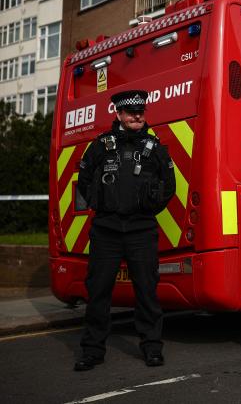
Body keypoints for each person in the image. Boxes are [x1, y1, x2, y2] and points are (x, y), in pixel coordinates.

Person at [74, 89, 176, 371]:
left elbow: (169, 187)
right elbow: (83, 182)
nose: (137, 116)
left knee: (147, 291)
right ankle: (92, 351)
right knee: (98, 292)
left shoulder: (155, 149)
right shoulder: (100, 146)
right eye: (131, 112)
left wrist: (146, 212)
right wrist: (103, 207)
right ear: (118, 114)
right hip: (106, 230)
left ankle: (152, 348)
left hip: (141, 230)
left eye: (140, 111)